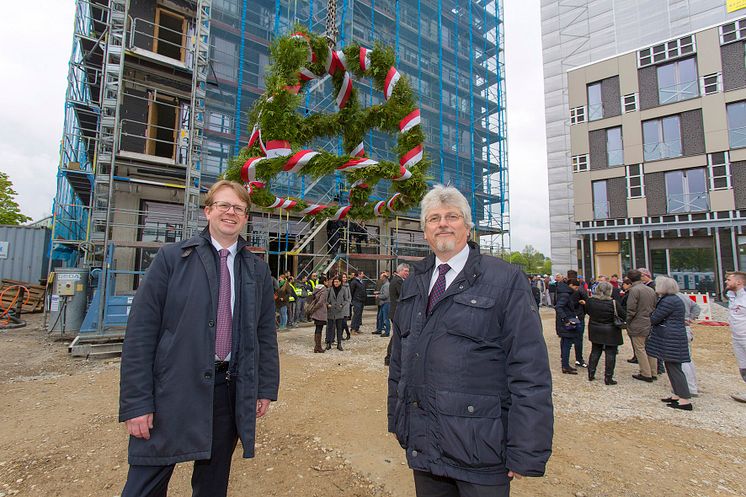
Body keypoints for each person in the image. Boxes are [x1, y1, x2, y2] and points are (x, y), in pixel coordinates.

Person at [388, 185, 553, 497]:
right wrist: (400, 422)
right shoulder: (415, 283)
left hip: (481, 450)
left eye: (452, 216)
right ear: (424, 231)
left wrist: (526, 448)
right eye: (434, 218)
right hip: (425, 446)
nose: (443, 224)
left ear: (467, 226)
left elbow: (529, 368)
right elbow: (399, 361)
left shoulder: (505, 280)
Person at [118, 180, 279, 497]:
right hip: (171, 391)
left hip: (227, 392)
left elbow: (264, 334)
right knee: (144, 485)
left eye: (239, 208)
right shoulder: (171, 259)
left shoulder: (257, 270)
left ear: (246, 218)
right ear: (208, 211)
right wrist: (137, 403)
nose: (230, 213)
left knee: (212, 483)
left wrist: (264, 388)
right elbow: (140, 335)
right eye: (223, 205)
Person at [647, 276, 693, 411]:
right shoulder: (673, 299)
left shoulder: (668, 301)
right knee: (671, 366)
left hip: (670, 337)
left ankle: (684, 399)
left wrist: (651, 315)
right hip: (672, 335)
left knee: (674, 367)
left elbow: (655, 318)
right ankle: (677, 395)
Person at [584, 281, 625, 385]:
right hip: (610, 329)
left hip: (595, 327)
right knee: (610, 353)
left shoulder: (590, 301)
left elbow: (588, 311)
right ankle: (608, 377)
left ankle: (591, 373)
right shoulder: (613, 303)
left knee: (595, 351)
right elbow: (623, 315)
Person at [625, 269, 658, 382]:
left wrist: (628, 321)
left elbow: (631, 308)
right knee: (650, 348)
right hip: (649, 320)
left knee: (639, 348)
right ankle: (653, 371)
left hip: (638, 322)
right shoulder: (650, 290)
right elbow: (654, 305)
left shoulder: (634, 290)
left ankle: (645, 373)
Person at [725, 271, 746, 403]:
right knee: (743, 366)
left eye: (728, 279)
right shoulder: (732, 297)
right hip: (736, 337)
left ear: (739, 282)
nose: (726, 281)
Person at [676, 290, 700, 396]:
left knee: (682, 360)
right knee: (688, 359)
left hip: (679, 329)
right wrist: (690, 318)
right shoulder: (683, 296)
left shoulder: (671, 298)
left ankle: (689, 387)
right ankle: (692, 385)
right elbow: (697, 308)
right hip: (685, 328)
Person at [384, 263, 410, 366]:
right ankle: (389, 357)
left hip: (396, 312)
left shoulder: (397, 280)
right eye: (405, 271)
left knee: (397, 335)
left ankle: (392, 357)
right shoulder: (398, 281)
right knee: (397, 335)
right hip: (397, 313)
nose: (407, 273)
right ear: (399, 271)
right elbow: (404, 296)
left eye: (408, 271)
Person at [555, 277, 581, 374]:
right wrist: (566, 319)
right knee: (567, 344)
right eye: (576, 287)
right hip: (567, 323)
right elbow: (558, 307)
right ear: (571, 285)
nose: (576, 289)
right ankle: (565, 365)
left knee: (565, 343)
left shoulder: (563, 293)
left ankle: (565, 364)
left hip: (564, 322)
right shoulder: (566, 295)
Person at [325, 275, 350, 351]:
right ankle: (328, 343)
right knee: (330, 328)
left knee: (339, 328)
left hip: (339, 311)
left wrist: (342, 305)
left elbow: (346, 299)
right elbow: (325, 299)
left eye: (337, 282)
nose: (336, 283)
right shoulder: (329, 289)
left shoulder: (343, 289)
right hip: (331, 311)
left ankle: (339, 343)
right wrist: (327, 304)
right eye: (334, 281)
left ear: (340, 282)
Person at [307, 277, 329, 353]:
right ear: (325, 281)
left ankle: (317, 346)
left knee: (317, 329)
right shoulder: (324, 290)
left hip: (316, 313)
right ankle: (318, 347)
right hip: (321, 312)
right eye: (327, 281)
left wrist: (313, 310)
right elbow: (321, 302)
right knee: (319, 329)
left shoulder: (316, 288)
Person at [340, 273, 352, 340]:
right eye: (343, 277)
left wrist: (349, 302)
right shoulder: (340, 286)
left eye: (345, 277)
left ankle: (347, 334)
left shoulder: (347, 286)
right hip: (341, 306)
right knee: (342, 321)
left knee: (344, 321)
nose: (344, 279)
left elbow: (349, 296)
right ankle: (343, 334)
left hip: (346, 305)